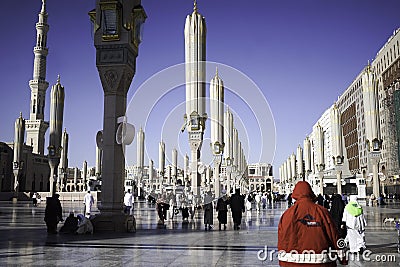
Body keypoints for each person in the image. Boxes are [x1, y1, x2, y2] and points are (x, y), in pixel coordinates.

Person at [278, 181, 345, 266]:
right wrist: (342, 257)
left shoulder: (288, 214)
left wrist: (283, 260)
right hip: (319, 261)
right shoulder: (322, 212)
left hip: (292, 262)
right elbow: (333, 235)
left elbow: (282, 237)